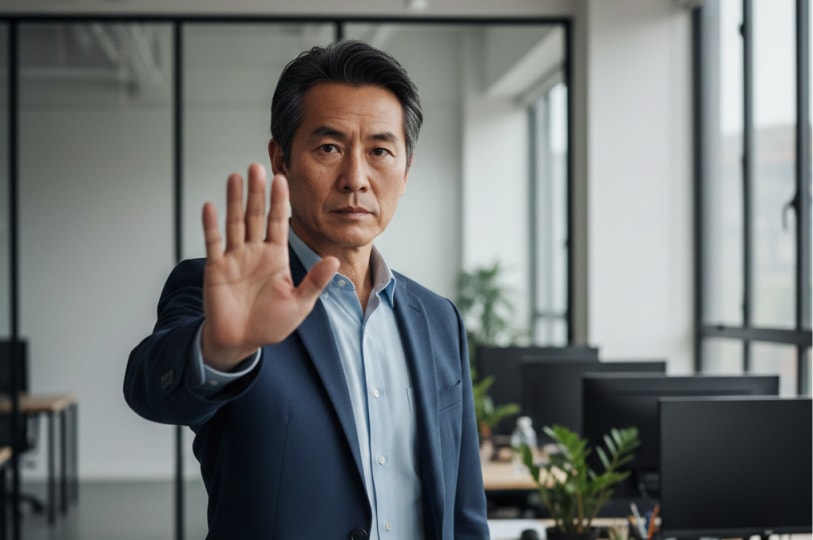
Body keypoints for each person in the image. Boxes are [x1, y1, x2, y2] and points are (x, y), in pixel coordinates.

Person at [123, 40, 489, 540]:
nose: (355, 179)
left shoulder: (439, 318)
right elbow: (151, 390)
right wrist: (221, 349)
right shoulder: (230, 294)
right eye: (329, 148)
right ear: (281, 160)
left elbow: (464, 510)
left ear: (405, 173)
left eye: (380, 150)